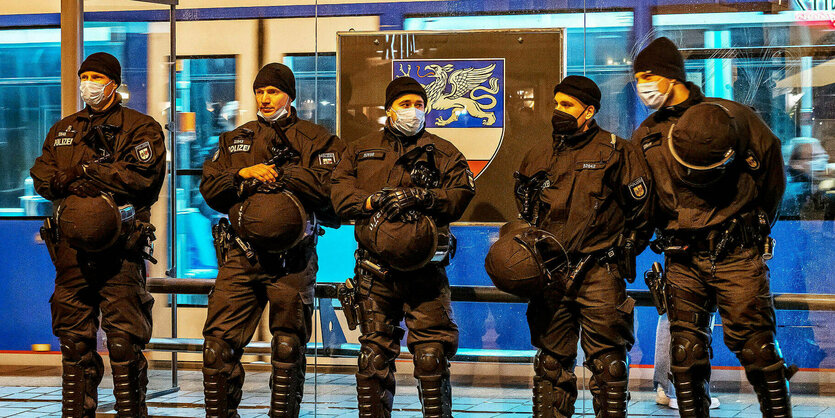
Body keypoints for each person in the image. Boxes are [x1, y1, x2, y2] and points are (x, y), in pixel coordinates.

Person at [632, 37, 792, 418]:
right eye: (637, 77)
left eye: (648, 76)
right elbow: (642, 199)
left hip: (737, 252)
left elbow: (771, 172)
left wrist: (756, 227)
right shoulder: (646, 135)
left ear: (672, 76)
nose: (642, 85)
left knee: (758, 351)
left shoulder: (732, 117)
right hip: (681, 257)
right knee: (685, 357)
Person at [199, 63, 344, 418]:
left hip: (293, 261)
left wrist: (287, 175)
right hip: (240, 257)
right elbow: (210, 189)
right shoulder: (234, 140)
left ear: (289, 96)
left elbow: (334, 193)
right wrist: (241, 175)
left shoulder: (319, 140)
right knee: (217, 347)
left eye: (273, 92)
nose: (265, 98)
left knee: (287, 347)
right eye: (260, 92)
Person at [30, 52, 166, 417]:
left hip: (121, 253)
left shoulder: (141, 127)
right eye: (84, 75)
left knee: (123, 344)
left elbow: (143, 177)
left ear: (114, 83)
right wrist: (66, 181)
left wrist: (85, 174)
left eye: (96, 76)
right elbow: (42, 173)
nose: (88, 83)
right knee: (74, 345)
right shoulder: (64, 129)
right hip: (72, 255)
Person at [330, 77, 475, 418]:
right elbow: (337, 195)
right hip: (374, 272)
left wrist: (423, 196)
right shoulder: (359, 150)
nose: (413, 111)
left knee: (431, 357)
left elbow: (461, 195)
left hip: (426, 273)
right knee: (373, 359)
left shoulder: (444, 151)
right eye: (405, 104)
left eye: (419, 104)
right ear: (389, 109)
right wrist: (369, 202)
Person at [514, 76, 653, 417]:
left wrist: (623, 251)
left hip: (600, 274)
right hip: (551, 276)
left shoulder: (619, 152)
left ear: (589, 111)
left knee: (609, 368)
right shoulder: (538, 156)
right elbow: (524, 212)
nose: (558, 111)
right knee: (550, 366)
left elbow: (643, 213)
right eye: (556, 104)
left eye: (568, 105)